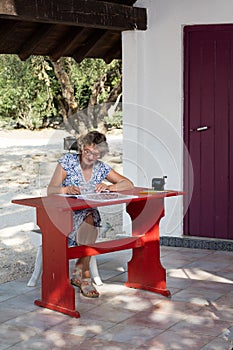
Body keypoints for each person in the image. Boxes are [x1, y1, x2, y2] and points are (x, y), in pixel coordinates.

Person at [47, 131, 134, 298]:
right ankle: (83, 275)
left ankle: (81, 272)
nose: (91, 156)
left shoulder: (101, 168)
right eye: (88, 151)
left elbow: (128, 184)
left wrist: (110, 187)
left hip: (88, 215)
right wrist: (66, 189)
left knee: (91, 216)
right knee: (91, 219)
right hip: (64, 215)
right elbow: (51, 190)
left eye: (96, 153)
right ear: (82, 148)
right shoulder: (68, 162)